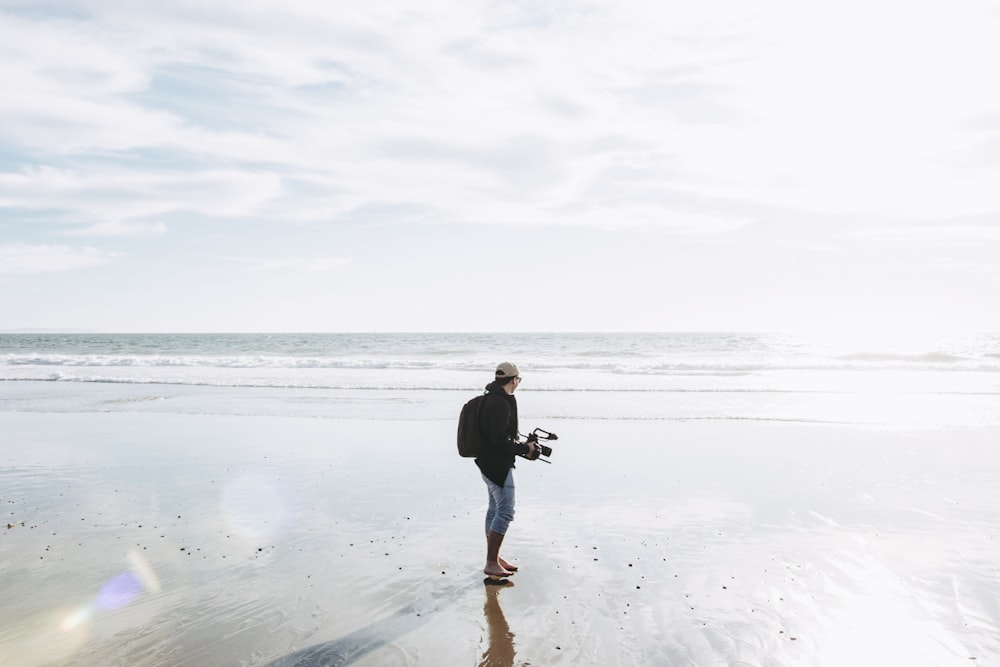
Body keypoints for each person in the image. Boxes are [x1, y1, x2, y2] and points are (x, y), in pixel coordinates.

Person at [476, 362, 537, 578]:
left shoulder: (489, 397)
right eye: (518, 379)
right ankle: (491, 561)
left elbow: (497, 435)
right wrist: (524, 449)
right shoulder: (500, 402)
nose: (518, 383)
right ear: (513, 380)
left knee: (494, 509)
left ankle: (495, 557)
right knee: (505, 511)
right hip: (497, 465)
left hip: (486, 462)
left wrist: (522, 445)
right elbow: (499, 439)